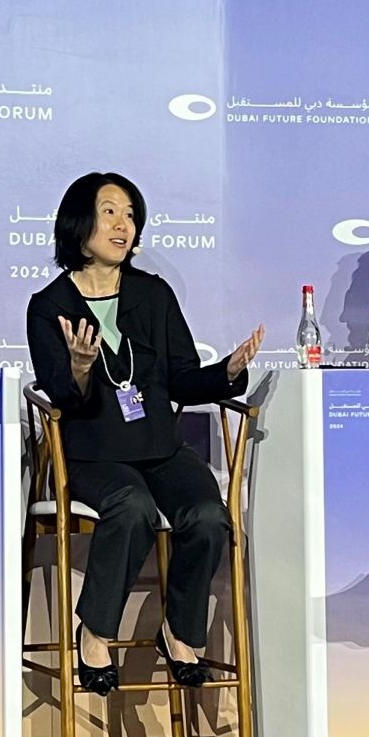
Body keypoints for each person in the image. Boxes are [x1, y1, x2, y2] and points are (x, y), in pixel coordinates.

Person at [26, 172, 264, 693]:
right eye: (109, 211)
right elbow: (63, 398)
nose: (122, 224)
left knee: (206, 515)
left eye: (130, 214)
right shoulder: (49, 307)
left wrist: (226, 372)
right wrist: (82, 368)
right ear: (79, 222)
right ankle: (96, 630)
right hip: (92, 454)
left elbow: (181, 377)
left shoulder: (153, 296)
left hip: (159, 447)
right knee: (130, 507)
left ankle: (178, 629)